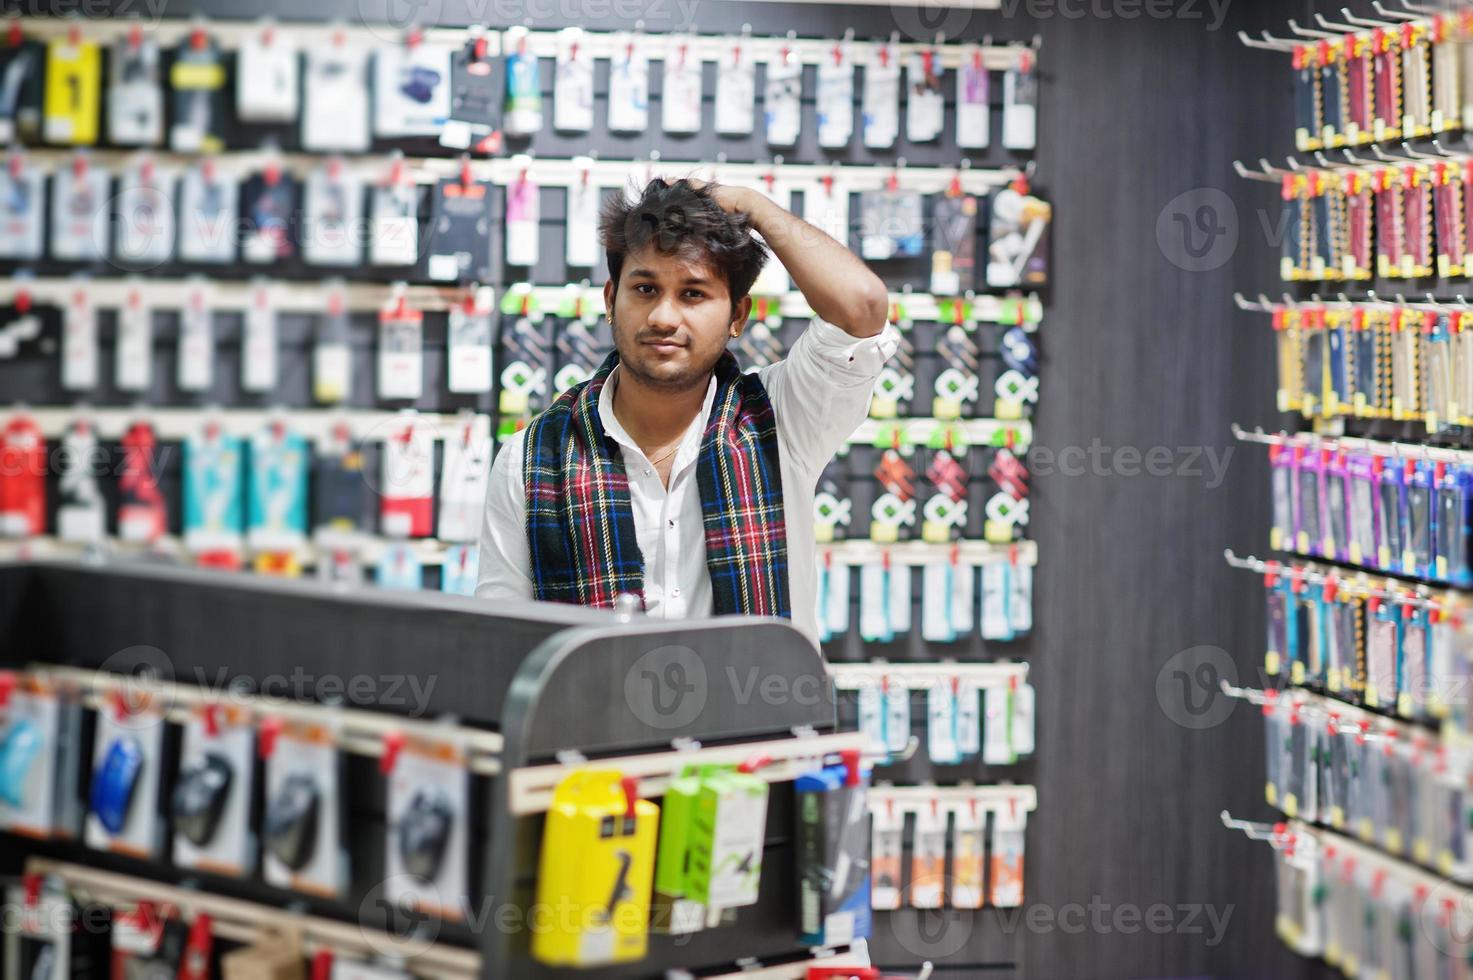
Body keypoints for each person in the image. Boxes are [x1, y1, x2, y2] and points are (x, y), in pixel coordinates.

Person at [475, 176, 898, 648]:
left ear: (738, 316)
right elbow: (501, 639)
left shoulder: (780, 419)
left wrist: (752, 206)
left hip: (763, 719)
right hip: (593, 720)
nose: (663, 317)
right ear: (611, 300)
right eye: (645, 289)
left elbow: (862, 307)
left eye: (693, 294)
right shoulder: (532, 460)